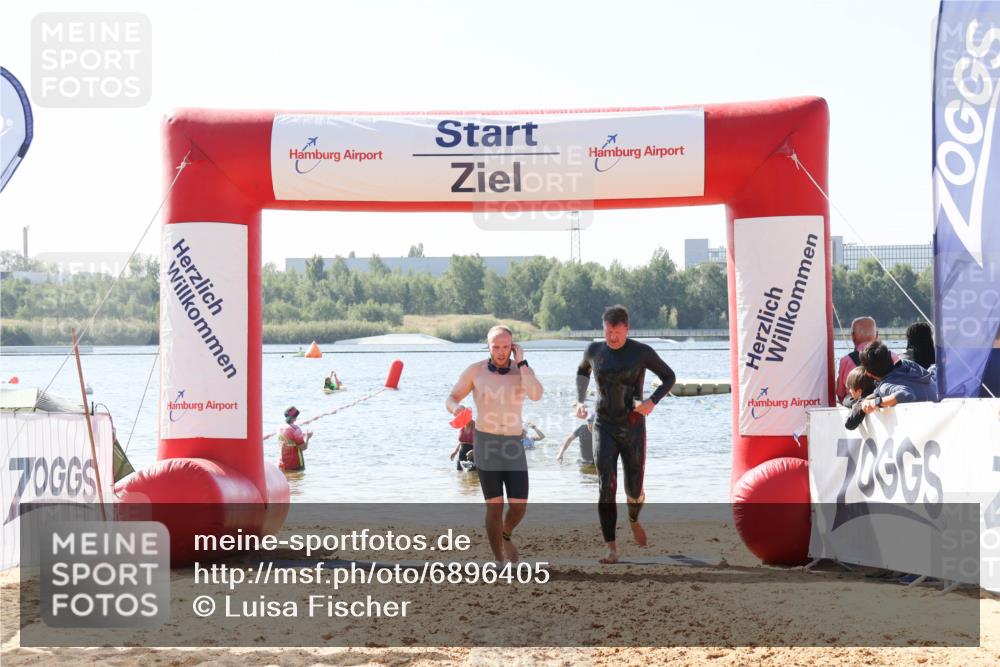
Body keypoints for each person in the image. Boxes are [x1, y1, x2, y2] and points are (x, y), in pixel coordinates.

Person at [575, 305, 676, 564]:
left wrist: (652, 401)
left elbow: (669, 377)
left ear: (627, 329)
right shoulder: (595, 350)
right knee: (606, 486)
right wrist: (580, 401)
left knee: (634, 488)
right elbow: (582, 371)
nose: (612, 338)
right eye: (608, 332)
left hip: (632, 426)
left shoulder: (641, 352)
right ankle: (611, 548)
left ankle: (633, 518)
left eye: (617, 333)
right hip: (603, 426)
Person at [446, 325, 543, 563]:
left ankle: (506, 534)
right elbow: (451, 398)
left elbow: (536, 394)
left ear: (513, 347)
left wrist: (522, 363)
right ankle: (498, 559)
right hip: (486, 441)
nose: (501, 352)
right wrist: (457, 409)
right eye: (496, 347)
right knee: (494, 506)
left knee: (519, 506)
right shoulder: (476, 371)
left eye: (506, 347)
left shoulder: (522, 370)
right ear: (488, 346)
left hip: (513, 443)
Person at [860, 340, 938, 414]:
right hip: (940, 407)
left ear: (868, 373)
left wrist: (876, 402)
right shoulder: (908, 364)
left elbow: (906, 394)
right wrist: (867, 399)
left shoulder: (885, 386)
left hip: (927, 419)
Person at [835, 317, 880, 403]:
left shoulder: (846, 361)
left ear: (852, 336)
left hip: (855, 404)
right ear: (877, 335)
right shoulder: (890, 357)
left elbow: (840, 393)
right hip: (880, 400)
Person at [278, 406, 312, 471]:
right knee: (297, 480)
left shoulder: (280, 428)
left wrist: (303, 435)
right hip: (295, 464)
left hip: (282, 464)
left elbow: (289, 440)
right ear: (294, 418)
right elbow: (303, 447)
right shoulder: (296, 429)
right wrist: (307, 437)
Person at [842, 366, 877, 430]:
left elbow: (849, 424)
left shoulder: (865, 400)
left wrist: (859, 404)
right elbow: (846, 400)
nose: (849, 391)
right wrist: (855, 402)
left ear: (859, 391)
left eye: (850, 388)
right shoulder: (876, 390)